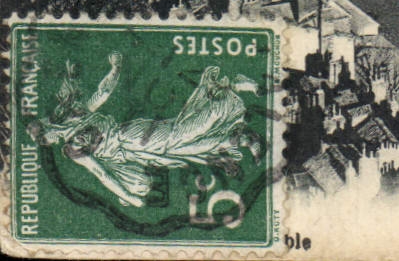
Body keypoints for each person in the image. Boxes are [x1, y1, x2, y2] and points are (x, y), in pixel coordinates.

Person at [27, 53, 261, 208]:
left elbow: (102, 174)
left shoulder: (73, 141)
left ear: (48, 127)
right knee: (181, 148)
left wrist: (116, 69)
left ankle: (227, 91)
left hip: (131, 138)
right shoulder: (73, 128)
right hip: (132, 152)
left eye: (45, 138)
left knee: (180, 135)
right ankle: (238, 138)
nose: (49, 142)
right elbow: (103, 95)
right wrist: (115, 68)